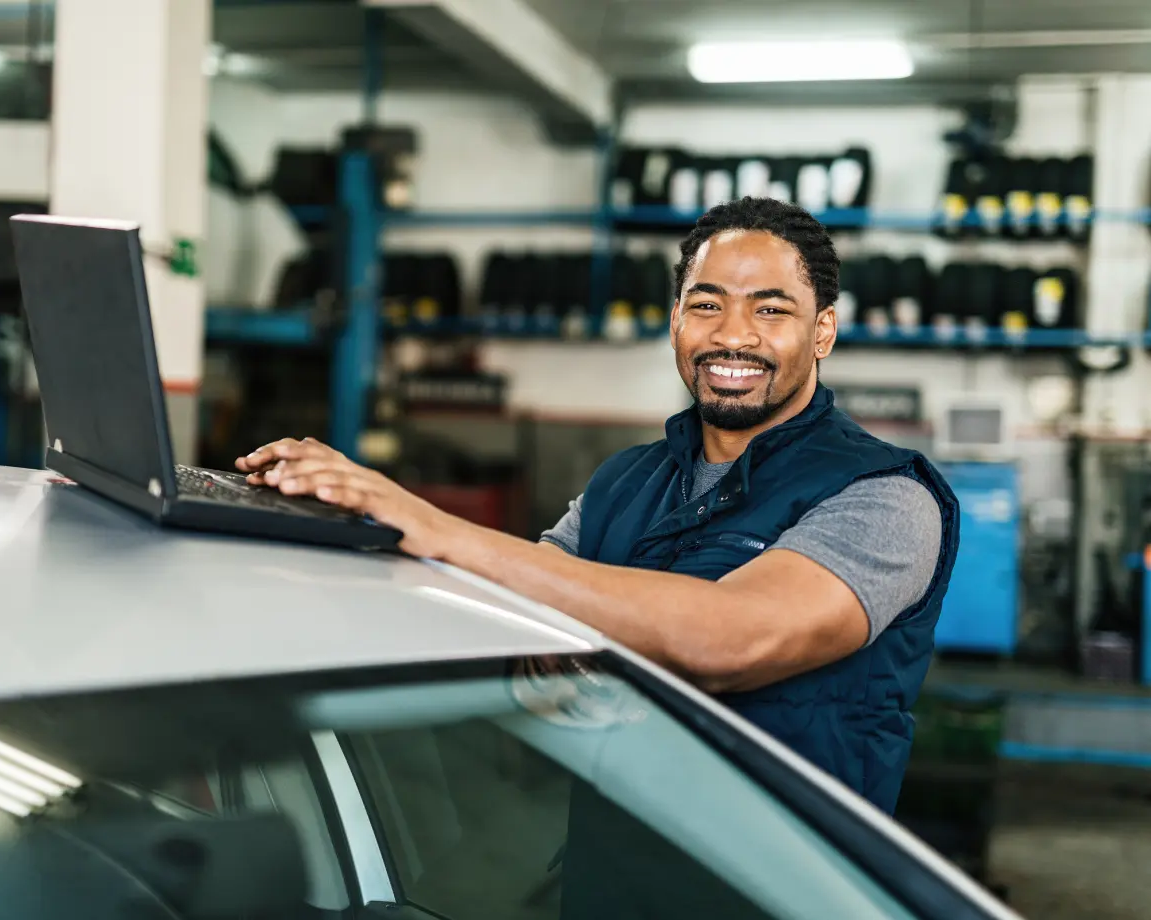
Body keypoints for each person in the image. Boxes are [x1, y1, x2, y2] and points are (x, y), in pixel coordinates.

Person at [236, 196, 960, 814]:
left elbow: (730, 641)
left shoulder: (884, 497)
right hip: (616, 861)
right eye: (706, 305)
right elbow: (523, 630)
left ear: (822, 330)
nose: (733, 335)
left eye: (771, 311)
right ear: (676, 319)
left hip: (785, 885)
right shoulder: (623, 482)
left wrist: (433, 527)